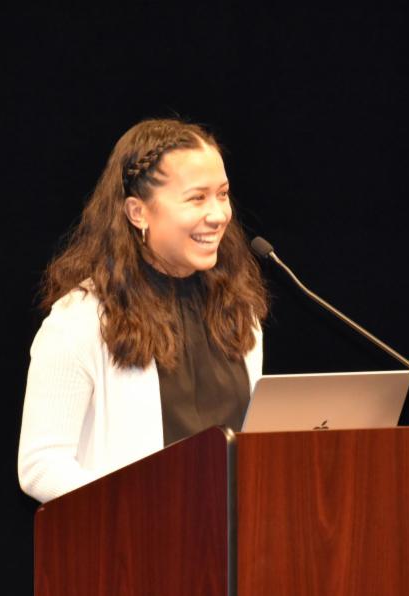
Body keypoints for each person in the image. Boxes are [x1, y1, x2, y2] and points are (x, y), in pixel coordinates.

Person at [17, 119, 268, 503]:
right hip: (133, 537)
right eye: (197, 198)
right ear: (138, 212)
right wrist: (138, 509)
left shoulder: (237, 311)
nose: (218, 214)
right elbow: (41, 466)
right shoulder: (82, 320)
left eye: (222, 194)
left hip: (229, 536)